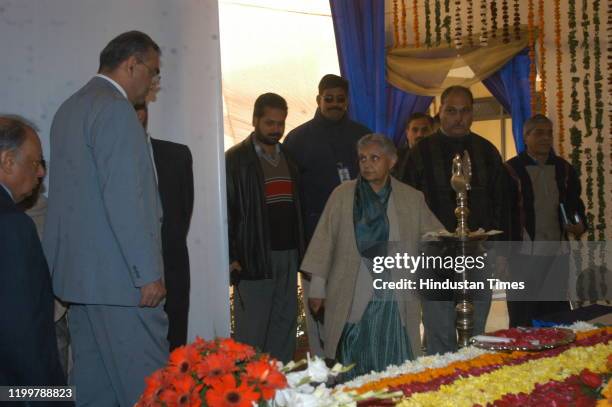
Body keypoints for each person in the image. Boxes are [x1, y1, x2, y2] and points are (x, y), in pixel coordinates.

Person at [43, 31, 167, 406]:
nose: (153, 83)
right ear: (132, 64)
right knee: (151, 391)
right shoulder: (114, 109)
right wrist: (147, 273)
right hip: (122, 285)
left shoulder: (70, 107)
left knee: (94, 392)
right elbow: (127, 199)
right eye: (154, 72)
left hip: (80, 283)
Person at [302, 133, 443, 379]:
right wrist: (317, 287)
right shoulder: (343, 195)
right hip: (352, 290)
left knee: (398, 369)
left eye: (375, 158)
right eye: (362, 158)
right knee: (351, 366)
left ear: (392, 161)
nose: (367, 164)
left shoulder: (411, 197)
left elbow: (433, 235)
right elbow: (324, 241)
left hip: (395, 294)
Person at [401, 85, 510, 355]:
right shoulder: (419, 153)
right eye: (452, 111)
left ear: (472, 114)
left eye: (465, 111)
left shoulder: (487, 152)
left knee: (476, 334)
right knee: (440, 335)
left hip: (479, 254)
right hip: (433, 257)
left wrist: (503, 252)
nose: (459, 117)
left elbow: (503, 205)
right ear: (440, 113)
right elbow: (404, 208)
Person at [283, 74, 370, 356]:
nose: (334, 104)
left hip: (359, 240)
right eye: (328, 99)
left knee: (357, 308)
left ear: (348, 101)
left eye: (340, 99)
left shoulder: (364, 137)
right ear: (318, 99)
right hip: (314, 240)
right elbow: (290, 199)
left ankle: (358, 369)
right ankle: (323, 373)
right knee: (318, 311)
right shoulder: (297, 140)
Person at [226, 93, 304, 363]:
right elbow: (227, 212)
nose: (276, 130)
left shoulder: (291, 160)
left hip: (289, 255)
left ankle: (278, 391)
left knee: (284, 327)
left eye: (280, 123)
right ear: (254, 120)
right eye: (269, 123)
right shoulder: (235, 160)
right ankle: (249, 396)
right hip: (253, 258)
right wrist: (231, 257)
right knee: (251, 334)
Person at [0, 116, 65, 386]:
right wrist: (54, 397)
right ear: (7, 161)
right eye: (35, 162)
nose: (41, 173)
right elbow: (22, 330)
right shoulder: (12, 224)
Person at [505, 114, 586, 327]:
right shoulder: (511, 170)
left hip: (556, 252)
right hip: (523, 255)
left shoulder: (564, 168)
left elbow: (574, 203)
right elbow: (503, 213)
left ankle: (556, 358)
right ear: (526, 137)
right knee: (523, 313)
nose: (545, 138)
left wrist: (578, 223)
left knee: (556, 313)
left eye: (549, 133)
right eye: (539, 133)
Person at [134, 103, 194, 350]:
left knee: (174, 358)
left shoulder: (176, 156)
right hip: (125, 283)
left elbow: (181, 216)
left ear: (143, 113)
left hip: (172, 272)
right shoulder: (101, 160)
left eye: (136, 109)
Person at [17, 159, 72, 378]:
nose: (39, 172)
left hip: (52, 319)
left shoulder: (54, 214)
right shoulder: (9, 219)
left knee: (54, 392)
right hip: (14, 326)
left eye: (41, 164)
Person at [393, 112, 434, 179]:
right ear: (407, 133)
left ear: (432, 132)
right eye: (415, 130)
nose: (419, 134)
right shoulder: (396, 158)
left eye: (425, 130)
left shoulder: (440, 155)